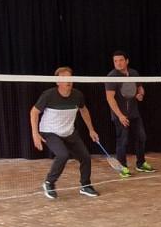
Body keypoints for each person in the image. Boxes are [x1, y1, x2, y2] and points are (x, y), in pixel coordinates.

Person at [30, 67, 100, 200]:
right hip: (49, 131)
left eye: (70, 78)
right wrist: (35, 134)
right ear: (58, 82)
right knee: (63, 155)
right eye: (64, 78)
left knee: (85, 157)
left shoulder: (77, 95)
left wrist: (91, 129)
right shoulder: (48, 95)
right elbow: (34, 112)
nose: (68, 80)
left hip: (69, 131)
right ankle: (49, 183)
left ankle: (85, 185)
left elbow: (84, 110)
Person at [105, 51, 153, 179]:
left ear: (127, 61)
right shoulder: (111, 77)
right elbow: (110, 98)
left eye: (120, 60)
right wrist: (120, 115)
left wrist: (140, 94)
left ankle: (141, 163)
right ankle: (122, 167)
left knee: (141, 137)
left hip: (134, 113)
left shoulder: (134, 73)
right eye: (115, 61)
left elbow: (140, 88)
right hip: (119, 115)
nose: (118, 63)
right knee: (123, 141)